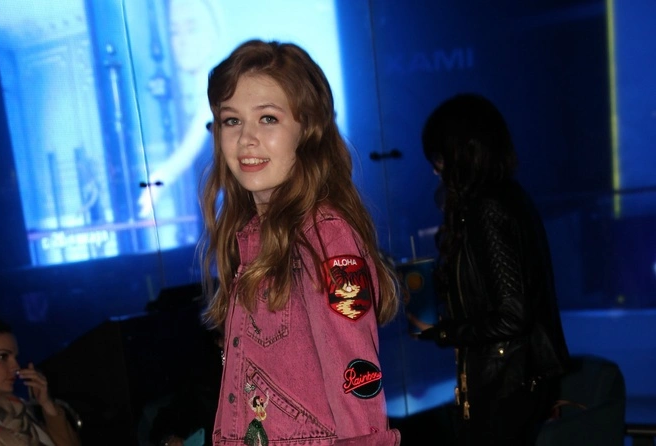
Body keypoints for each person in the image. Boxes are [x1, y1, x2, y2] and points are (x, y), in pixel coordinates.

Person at [198, 39, 401, 445]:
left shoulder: (325, 236)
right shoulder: (252, 237)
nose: (247, 138)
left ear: (306, 130)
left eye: (268, 119)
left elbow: (356, 380)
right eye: (231, 120)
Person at [410, 93, 570, 445]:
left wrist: (445, 333)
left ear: (460, 153)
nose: (435, 169)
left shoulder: (487, 208)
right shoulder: (508, 197)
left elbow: (512, 315)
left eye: (439, 157)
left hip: (504, 382)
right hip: (517, 379)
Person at [138, 0, 223, 218]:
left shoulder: (219, 91)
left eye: (192, 29)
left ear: (213, 32)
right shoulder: (187, 96)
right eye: (175, 32)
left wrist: (159, 180)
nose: (182, 42)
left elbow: (190, 148)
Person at [0, 317, 81, 446]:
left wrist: (46, 404)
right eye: (3, 356)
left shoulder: (16, 411)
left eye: (15, 357)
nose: (16, 366)